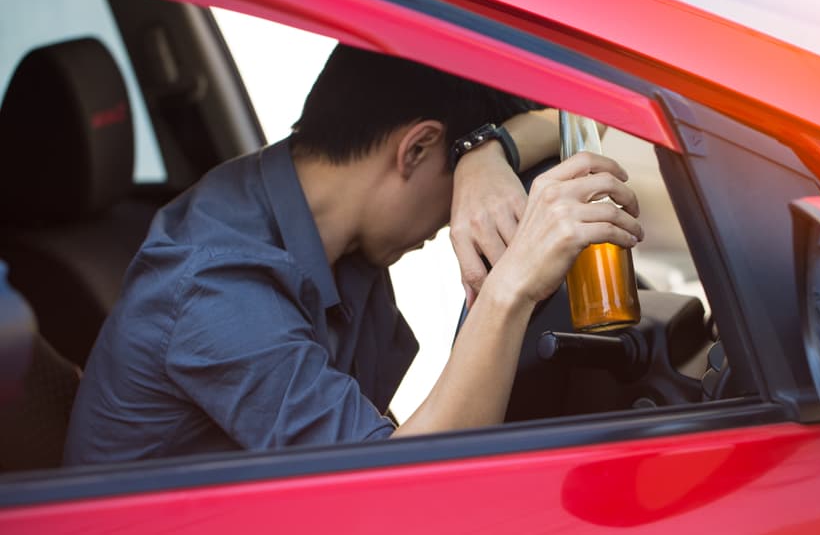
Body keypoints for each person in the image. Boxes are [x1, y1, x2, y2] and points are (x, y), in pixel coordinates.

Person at [63, 45, 642, 464]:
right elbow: (407, 499)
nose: (453, 220)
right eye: (457, 194)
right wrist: (511, 289)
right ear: (415, 148)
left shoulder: (319, 220)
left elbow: (586, 110)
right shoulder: (216, 289)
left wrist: (484, 153)